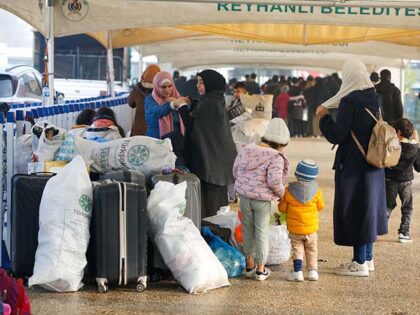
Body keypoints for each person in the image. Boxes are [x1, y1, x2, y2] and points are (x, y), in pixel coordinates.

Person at [316, 59, 387, 277]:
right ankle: (368, 258)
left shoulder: (349, 101)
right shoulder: (374, 98)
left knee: (357, 209)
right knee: (368, 208)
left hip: (355, 165)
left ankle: (358, 263)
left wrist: (324, 118)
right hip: (374, 163)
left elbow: (338, 135)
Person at [232, 118, 290, 281]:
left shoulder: (247, 149)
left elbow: (236, 170)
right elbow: (273, 181)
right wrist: (281, 193)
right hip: (262, 201)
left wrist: (244, 186)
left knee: (247, 230)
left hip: (244, 197)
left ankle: (249, 264)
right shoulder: (276, 157)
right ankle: (260, 268)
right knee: (262, 232)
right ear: (282, 144)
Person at [184, 69, 237, 218]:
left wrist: (181, 108)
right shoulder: (215, 100)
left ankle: (211, 234)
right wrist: (192, 103)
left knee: (211, 208)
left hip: (211, 164)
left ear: (211, 84)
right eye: (198, 82)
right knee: (217, 206)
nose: (198, 86)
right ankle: (215, 232)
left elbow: (191, 125)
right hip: (217, 162)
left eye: (201, 82)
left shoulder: (209, 104)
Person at [279, 160, 324, 282]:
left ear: (297, 174)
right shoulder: (317, 191)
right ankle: (312, 272)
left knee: (297, 249)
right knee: (312, 250)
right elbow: (321, 206)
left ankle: (298, 272)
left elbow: (282, 209)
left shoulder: (289, 190)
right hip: (311, 229)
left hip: (295, 229)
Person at [386, 118, 420, 243]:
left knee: (387, 205)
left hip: (390, 180)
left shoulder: (392, 145)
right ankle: (404, 233)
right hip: (406, 182)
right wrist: (418, 146)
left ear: (398, 132)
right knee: (407, 207)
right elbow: (418, 166)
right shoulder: (414, 148)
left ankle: (378, 227)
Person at [144, 71, 190, 139]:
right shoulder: (150, 99)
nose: (167, 90)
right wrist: (172, 105)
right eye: (163, 87)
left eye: (169, 86)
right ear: (157, 86)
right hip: (157, 141)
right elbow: (156, 111)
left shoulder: (176, 97)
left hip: (175, 144)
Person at [128, 64, 160, 136]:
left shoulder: (137, 89)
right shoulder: (161, 90)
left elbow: (130, 103)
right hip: (155, 133)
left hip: (138, 131)